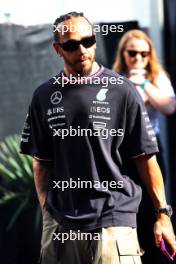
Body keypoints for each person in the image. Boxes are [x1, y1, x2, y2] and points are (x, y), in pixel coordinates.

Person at [20, 12, 176, 264]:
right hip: (62, 224)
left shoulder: (123, 90)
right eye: (71, 45)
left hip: (114, 220)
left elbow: (146, 157)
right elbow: (41, 161)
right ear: (57, 49)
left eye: (88, 41)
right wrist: (48, 213)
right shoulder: (44, 96)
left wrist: (163, 215)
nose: (82, 49)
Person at [112, 29, 176, 263]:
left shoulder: (156, 76)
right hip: (122, 152)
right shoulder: (114, 77)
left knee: (153, 205)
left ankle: (156, 255)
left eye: (144, 53)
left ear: (150, 55)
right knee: (127, 206)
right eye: (133, 53)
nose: (138, 58)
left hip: (150, 149)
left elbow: (169, 107)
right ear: (124, 54)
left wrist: (145, 84)